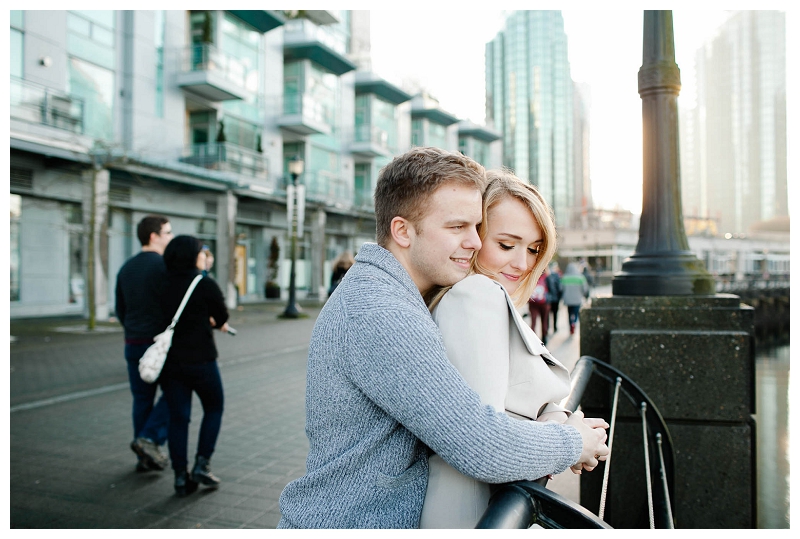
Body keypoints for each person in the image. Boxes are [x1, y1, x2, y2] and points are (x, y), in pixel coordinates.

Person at [277, 147, 608, 529]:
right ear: (402, 230)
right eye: (457, 227)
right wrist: (571, 442)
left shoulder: (391, 293)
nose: (474, 241)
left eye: (477, 227)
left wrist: (554, 422)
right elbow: (478, 442)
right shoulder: (381, 310)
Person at [419, 171, 607, 528]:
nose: (523, 264)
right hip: (475, 508)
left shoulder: (481, 296)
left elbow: (503, 405)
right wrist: (571, 440)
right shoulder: (477, 295)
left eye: (534, 249)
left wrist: (560, 420)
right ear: (473, 237)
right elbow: (482, 435)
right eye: (506, 245)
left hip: (490, 502)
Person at [160, 235, 230, 496]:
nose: (204, 255)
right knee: (214, 407)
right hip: (202, 360)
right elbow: (222, 315)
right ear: (192, 255)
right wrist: (209, 319)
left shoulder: (160, 282)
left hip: (170, 363)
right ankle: (202, 463)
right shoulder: (204, 283)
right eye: (201, 251)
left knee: (178, 418)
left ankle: (180, 477)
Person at [115, 215, 173, 472]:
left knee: (141, 399)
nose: (170, 237)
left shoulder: (126, 268)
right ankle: (149, 439)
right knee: (174, 395)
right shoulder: (163, 267)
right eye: (168, 232)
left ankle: (143, 456)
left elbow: (120, 308)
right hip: (158, 346)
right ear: (154, 236)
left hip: (132, 342)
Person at [562, 262, 590, 334]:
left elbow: (560, 288)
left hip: (568, 300)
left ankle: (571, 324)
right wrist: (584, 296)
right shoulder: (581, 277)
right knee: (576, 313)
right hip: (577, 300)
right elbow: (585, 289)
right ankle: (574, 322)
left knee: (569, 312)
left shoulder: (564, 278)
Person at [527, 269, 550, 345]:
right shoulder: (547, 277)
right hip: (544, 302)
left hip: (533, 302)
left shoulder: (531, 277)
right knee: (544, 320)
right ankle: (544, 338)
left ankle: (532, 340)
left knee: (533, 321)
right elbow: (552, 289)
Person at [546, 261, 563, 333]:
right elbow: (560, 288)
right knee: (555, 314)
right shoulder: (557, 276)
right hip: (555, 299)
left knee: (547, 314)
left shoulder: (546, 276)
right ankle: (555, 327)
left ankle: (547, 328)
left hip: (548, 299)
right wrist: (559, 297)